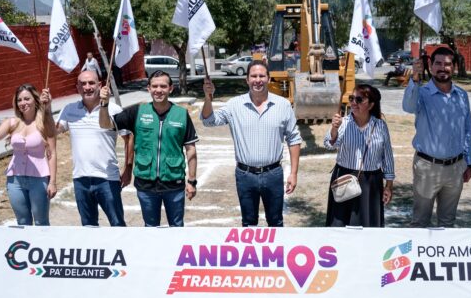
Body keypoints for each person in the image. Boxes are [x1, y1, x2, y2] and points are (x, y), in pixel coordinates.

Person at [201, 60, 301, 227]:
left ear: (269, 78)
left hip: (273, 174)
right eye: (254, 76)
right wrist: (207, 97)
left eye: (262, 76)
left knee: (276, 223)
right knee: (248, 224)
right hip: (245, 175)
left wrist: (294, 173)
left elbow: (294, 139)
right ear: (247, 79)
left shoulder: (283, 105)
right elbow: (209, 120)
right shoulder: (234, 105)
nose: (258, 80)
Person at [99, 70, 198, 227]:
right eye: (155, 86)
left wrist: (192, 181)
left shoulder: (181, 114)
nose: (159, 90)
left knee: (177, 228)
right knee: (150, 229)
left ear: (170, 88)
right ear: (149, 89)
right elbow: (105, 124)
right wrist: (104, 104)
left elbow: (191, 149)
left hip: (174, 183)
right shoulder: (138, 111)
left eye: (163, 86)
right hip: (146, 184)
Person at [402, 47, 471, 227]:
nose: (443, 68)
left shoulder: (462, 95)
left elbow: (467, 129)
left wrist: (469, 161)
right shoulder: (422, 93)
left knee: (448, 223)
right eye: (438, 63)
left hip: (456, 168)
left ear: (454, 67)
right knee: (420, 222)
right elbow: (408, 107)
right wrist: (415, 78)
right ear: (431, 66)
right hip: (427, 167)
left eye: (447, 64)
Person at [56, 70, 129, 227]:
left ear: (100, 85)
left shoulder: (114, 109)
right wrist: (45, 108)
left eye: (91, 83)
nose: (87, 87)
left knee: (118, 225)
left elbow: (128, 138)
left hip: (108, 179)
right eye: (83, 84)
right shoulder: (69, 109)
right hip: (80, 178)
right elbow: (52, 132)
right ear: (77, 87)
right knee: (88, 227)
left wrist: (128, 168)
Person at [0, 84, 57, 225]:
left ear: (35, 100)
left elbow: (51, 153)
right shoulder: (12, 122)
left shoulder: (44, 122)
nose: (23, 103)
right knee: (22, 221)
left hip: (39, 179)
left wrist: (52, 182)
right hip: (15, 180)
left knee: (41, 222)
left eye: (27, 99)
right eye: (19, 100)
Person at [324, 85, 395, 227]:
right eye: (351, 98)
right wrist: (334, 129)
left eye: (359, 99)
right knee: (339, 226)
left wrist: (388, 186)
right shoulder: (343, 123)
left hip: (371, 183)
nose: (353, 103)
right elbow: (329, 144)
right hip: (344, 179)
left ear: (371, 105)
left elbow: (387, 157)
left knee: (368, 227)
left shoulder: (380, 126)